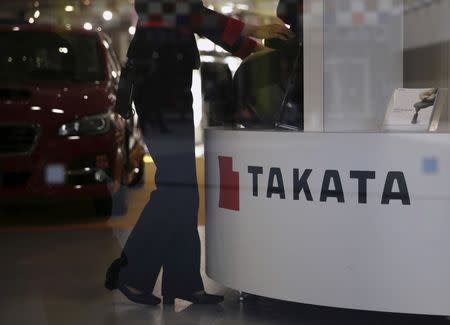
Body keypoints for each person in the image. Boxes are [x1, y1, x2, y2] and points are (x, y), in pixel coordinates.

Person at [105, 0, 294, 306]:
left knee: (184, 191)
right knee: (175, 189)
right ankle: (132, 274)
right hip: (160, 95)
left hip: (167, 93)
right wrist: (254, 37)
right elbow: (196, 16)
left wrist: (252, 46)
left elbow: (195, 19)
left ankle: (182, 282)